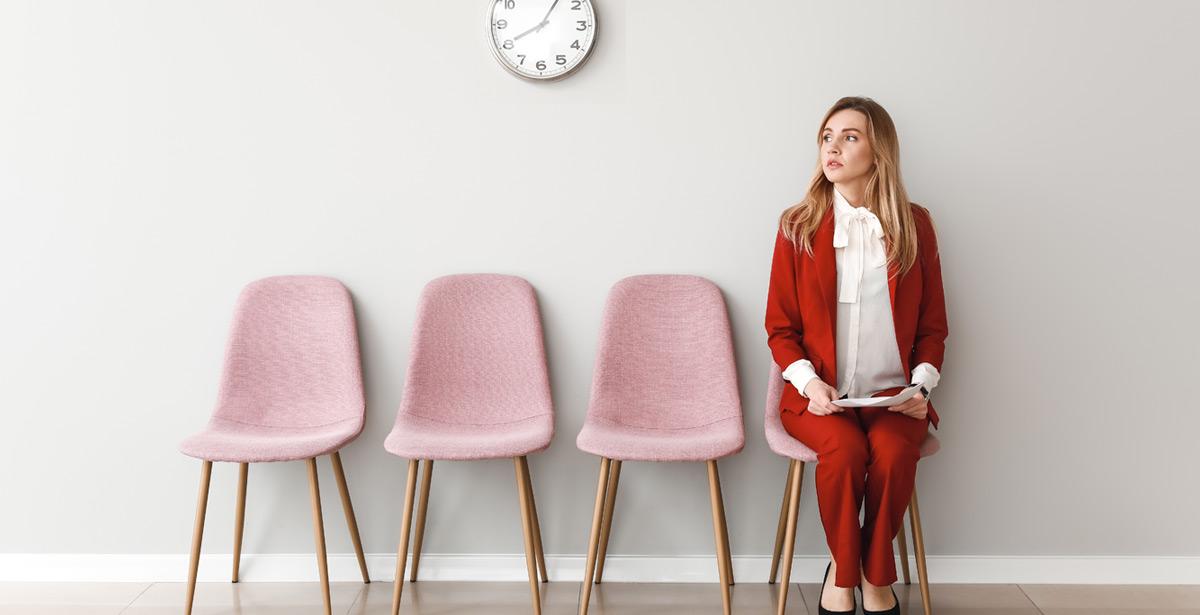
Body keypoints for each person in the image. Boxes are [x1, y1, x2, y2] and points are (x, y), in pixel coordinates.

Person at [764, 96, 948, 615]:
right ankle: (851, 577)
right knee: (843, 456)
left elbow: (934, 327)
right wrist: (807, 384)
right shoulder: (797, 225)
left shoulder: (916, 225)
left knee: (892, 454)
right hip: (819, 397)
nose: (834, 147)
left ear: (879, 151)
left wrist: (922, 387)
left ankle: (867, 571)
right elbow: (780, 328)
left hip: (896, 397)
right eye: (827, 136)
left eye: (850, 136)